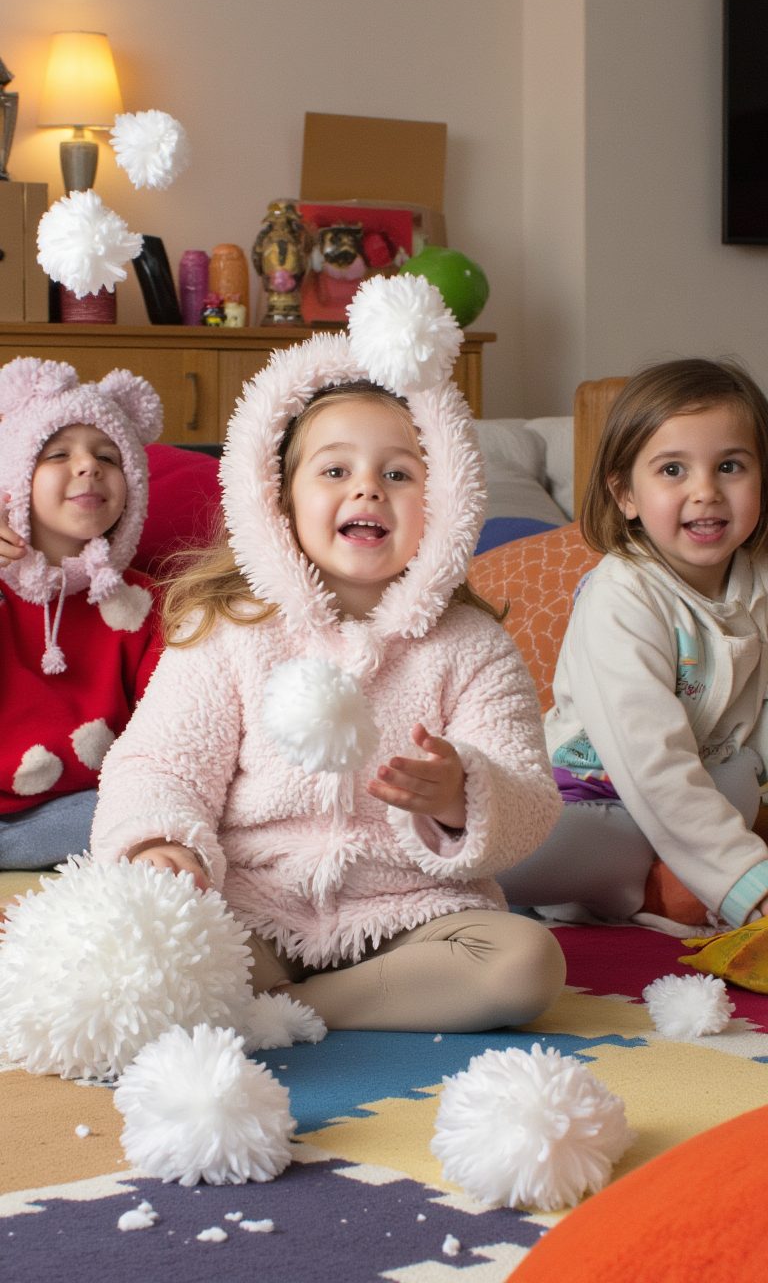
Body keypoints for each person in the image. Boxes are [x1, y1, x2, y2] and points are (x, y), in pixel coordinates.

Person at [91, 273, 566, 1032]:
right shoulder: (231, 630)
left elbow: (530, 800)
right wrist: (158, 844)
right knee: (154, 946)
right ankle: (260, 996)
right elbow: (158, 764)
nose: (368, 490)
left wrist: (459, 792)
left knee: (526, 963)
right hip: (258, 906)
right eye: (336, 469)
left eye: (400, 473)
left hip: (415, 917)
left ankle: (294, 1015)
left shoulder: (470, 644)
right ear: (279, 498)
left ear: (445, 503)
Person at [499, 357, 768, 930]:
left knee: (740, 774)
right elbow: (651, 759)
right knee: (519, 853)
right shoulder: (622, 596)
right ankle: (644, 887)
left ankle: (663, 882)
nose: (705, 492)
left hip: (699, 784)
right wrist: (752, 884)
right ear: (626, 494)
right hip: (587, 796)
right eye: (673, 470)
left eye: (730, 466)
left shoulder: (758, 581)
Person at [0, 356, 163, 869]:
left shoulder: (143, 601)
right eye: (57, 454)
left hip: (81, 812)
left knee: (146, 811)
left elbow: (166, 725)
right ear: (17, 478)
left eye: (108, 457)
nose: (88, 465)